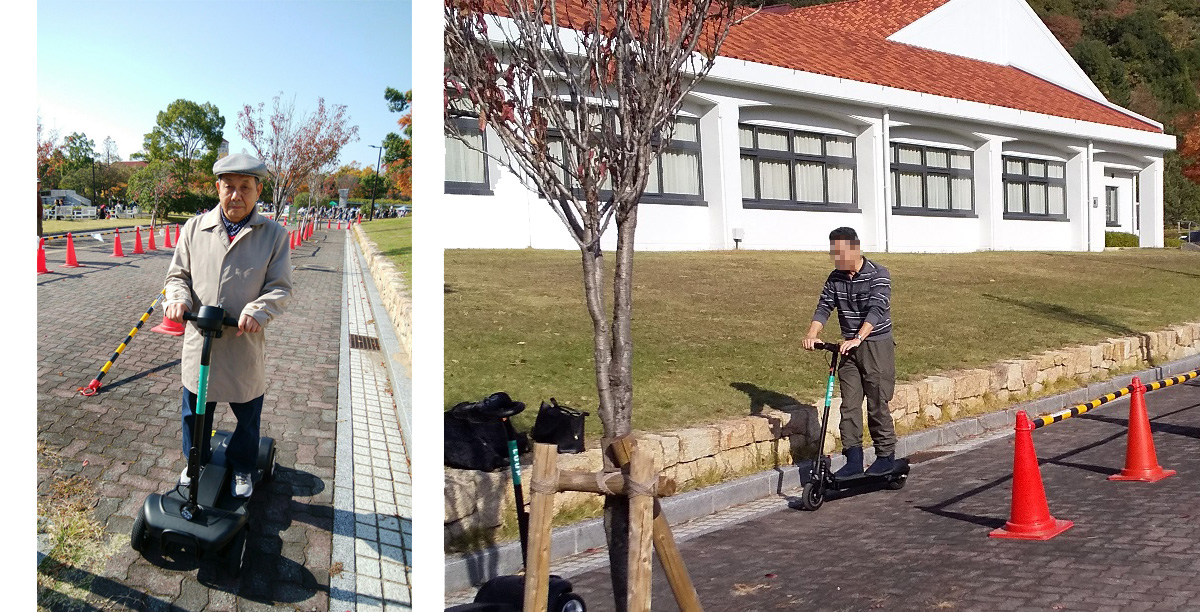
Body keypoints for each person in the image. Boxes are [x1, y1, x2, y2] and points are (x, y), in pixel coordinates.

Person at [163, 153, 292, 498]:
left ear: (258, 190)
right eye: (229, 187)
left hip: (242, 342)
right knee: (195, 412)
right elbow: (177, 276)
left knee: (247, 414)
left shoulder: (274, 235)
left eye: (245, 187)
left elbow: (280, 286)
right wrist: (178, 299)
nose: (236, 195)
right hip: (200, 341)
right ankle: (195, 462)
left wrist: (259, 308)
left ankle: (243, 467)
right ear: (218, 188)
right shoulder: (194, 228)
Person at [802, 226, 897, 478]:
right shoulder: (835, 277)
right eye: (833, 253)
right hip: (848, 348)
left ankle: (885, 456)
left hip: (876, 344)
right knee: (849, 405)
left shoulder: (879, 274)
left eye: (840, 252)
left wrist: (858, 337)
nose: (836, 258)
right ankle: (853, 459)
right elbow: (824, 306)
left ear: (855, 248)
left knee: (877, 402)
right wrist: (812, 334)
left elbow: (877, 309)